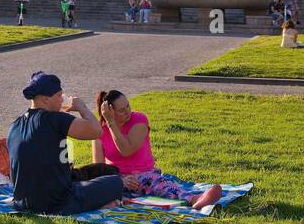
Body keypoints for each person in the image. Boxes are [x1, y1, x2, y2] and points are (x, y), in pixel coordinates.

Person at [7, 72, 134, 215]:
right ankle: (101, 202)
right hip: (57, 203)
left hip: (22, 202)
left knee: (104, 170)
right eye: (59, 96)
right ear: (45, 99)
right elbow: (96, 131)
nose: (62, 100)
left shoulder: (14, 125)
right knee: (115, 182)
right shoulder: (55, 119)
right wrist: (81, 107)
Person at [92, 89, 222, 209]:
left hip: (145, 175)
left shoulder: (139, 120)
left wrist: (111, 124)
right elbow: (98, 168)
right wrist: (120, 180)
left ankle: (196, 199)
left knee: (162, 186)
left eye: (128, 106)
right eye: (122, 110)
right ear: (109, 112)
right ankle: (113, 201)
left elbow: (127, 150)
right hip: (118, 178)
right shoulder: (99, 130)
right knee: (97, 188)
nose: (128, 112)